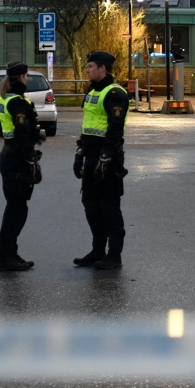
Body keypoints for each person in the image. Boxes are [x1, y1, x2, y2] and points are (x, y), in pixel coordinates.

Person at [73, 50, 128, 269]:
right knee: (91, 205)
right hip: (91, 155)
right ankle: (97, 251)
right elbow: (90, 126)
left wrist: (106, 156)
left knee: (109, 207)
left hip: (108, 158)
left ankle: (114, 255)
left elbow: (115, 129)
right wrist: (80, 152)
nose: (87, 70)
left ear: (102, 68)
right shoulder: (93, 91)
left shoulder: (115, 93)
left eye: (90, 67)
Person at [0, 61, 44, 272]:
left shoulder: (7, 96)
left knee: (16, 207)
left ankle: (10, 254)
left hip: (9, 155)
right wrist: (30, 158)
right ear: (23, 77)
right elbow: (22, 132)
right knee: (16, 210)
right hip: (16, 158)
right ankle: (7, 257)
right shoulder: (17, 102)